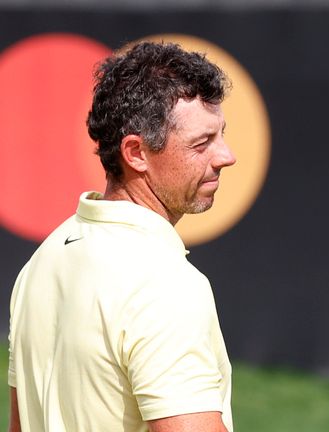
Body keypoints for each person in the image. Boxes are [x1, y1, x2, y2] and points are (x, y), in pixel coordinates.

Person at [8, 41, 236, 431]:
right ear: (136, 153)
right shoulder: (165, 285)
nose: (226, 156)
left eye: (220, 136)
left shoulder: (43, 260)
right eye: (202, 143)